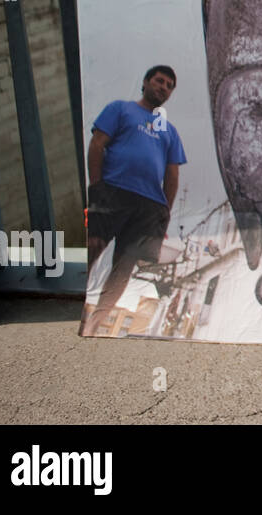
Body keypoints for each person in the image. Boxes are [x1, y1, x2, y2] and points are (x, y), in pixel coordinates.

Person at [82, 65, 187, 337]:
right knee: (91, 247)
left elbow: (172, 175)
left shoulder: (170, 132)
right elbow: (97, 144)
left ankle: (96, 323)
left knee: (124, 266)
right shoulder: (120, 109)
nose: (163, 87)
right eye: (159, 80)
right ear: (145, 82)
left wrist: (166, 211)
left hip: (149, 206)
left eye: (168, 85)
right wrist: (96, 187)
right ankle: (69, 306)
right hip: (113, 192)